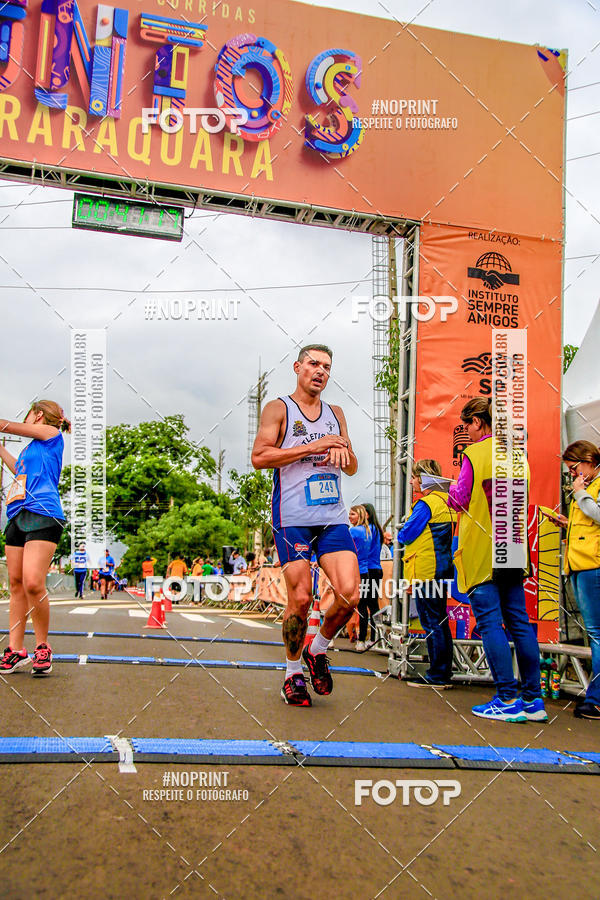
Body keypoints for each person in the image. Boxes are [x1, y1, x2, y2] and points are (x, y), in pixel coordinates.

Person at [252, 343, 360, 706]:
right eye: (314, 364)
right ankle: (292, 674)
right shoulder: (278, 408)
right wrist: (313, 447)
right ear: (298, 367)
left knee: (350, 594)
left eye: (327, 366)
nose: (321, 371)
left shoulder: (337, 412)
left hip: (331, 517)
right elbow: (260, 456)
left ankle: (318, 649)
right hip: (293, 517)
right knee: (300, 599)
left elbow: (352, 466)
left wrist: (343, 456)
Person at [448, 397, 546, 723]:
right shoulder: (519, 454)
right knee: (519, 622)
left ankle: (506, 698)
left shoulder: (474, 455)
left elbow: (459, 499)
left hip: (483, 550)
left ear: (478, 421)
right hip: (514, 547)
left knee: (490, 622)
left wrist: (449, 493)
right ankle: (534, 700)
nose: (467, 433)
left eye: (468, 426)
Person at [0, 400, 70, 676]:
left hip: (43, 513)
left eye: (29, 414)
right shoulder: (31, 449)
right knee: (16, 584)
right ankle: (16, 650)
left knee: (32, 582)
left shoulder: (52, 435)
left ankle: (42, 645)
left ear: (38, 414)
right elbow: (18, 468)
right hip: (17, 512)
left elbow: (7, 426)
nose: (26, 419)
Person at [550, 441, 600, 720]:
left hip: (594, 565)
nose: (572, 475)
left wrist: (580, 495)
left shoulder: (590, 488)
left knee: (597, 633)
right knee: (594, 632)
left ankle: (597, 698)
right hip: (581, 564)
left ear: (589, 460)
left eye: (574, 468)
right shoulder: (588, 488)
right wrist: (567, 523)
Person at [397, 460, 456, 688]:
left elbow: (406, 534)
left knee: (432, 622)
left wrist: (403, 528)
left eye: (414, 477)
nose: (412, 482)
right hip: (441, 569)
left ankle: (438, 675)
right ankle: (441, 672)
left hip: (426, 570)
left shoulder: (425, 504)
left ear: (423, 479)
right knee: (439, 621)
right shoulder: (446, 501)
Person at [349, 505, 374, 652]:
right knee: (363, 606)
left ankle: (330, 638)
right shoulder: (368, 531)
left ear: (359, 516)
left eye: (352, 514)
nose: (349, 517)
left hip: (352, 572)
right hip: (365, 572)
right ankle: (362, 640)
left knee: (345, 604)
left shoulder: (353, 531)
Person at [364, 502, 385, 643]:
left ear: (368, 514)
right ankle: (375, 637)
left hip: (369, 570)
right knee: (373, 605)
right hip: (377, 569)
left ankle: (368, 638)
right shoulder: (377, 530)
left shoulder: (367, 530)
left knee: (364, 604)